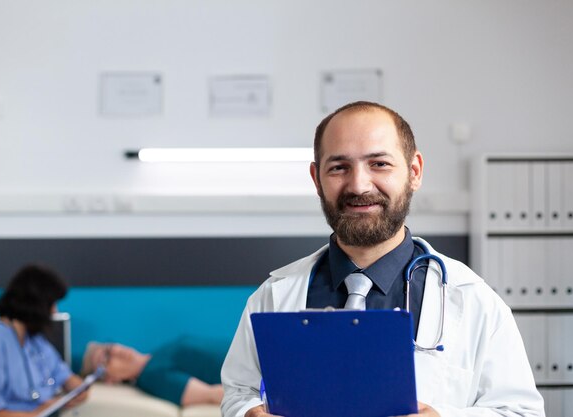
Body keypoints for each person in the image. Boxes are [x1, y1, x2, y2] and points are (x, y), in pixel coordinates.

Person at [220, 101, 545, 417]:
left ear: (414, 171)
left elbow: (520, 411)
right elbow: (239, 391)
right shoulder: (274, 296)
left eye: (379, 164)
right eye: (339, 167)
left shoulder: (473, 300)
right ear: (317, 179)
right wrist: (249, 412)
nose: (359, 185)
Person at [0, 265, 89, 417]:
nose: (54, 311)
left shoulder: (35, 341)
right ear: (37, 305)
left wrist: (78, 390)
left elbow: (62, 373)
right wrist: (37, 412)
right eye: (51, 304)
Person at [80, 336, 226, 407]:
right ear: (110, 380)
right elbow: (214, 394)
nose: (116, 351)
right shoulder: (152, 376)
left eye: (110, 347)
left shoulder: (156, 356)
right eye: (106, 358)